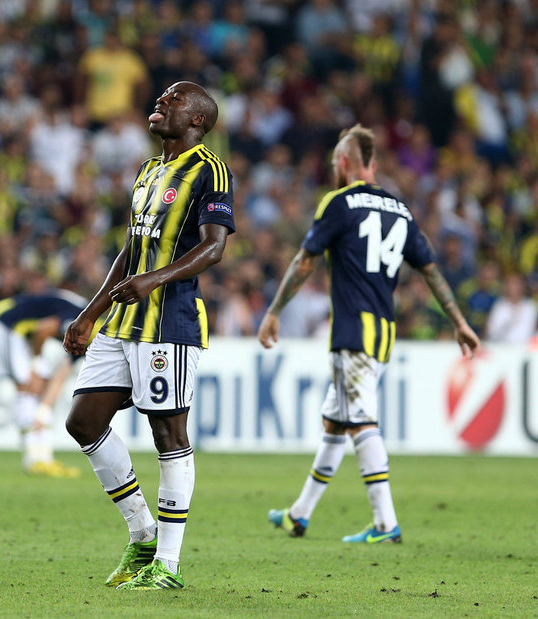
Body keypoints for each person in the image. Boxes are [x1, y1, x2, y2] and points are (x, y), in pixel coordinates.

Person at [258, 125, 480, 543]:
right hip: (382, 330)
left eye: (334, 162)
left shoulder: (339, 202)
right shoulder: (400, 209)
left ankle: (385, 523)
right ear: (373, 163)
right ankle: (299, 514)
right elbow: (431, 270)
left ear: (344, 163)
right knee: (335, 421)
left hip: (352, 331)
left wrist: (273, 311)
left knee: (361, 422)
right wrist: (459, 321)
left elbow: (305, 261)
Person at [63, 81, 235, 589]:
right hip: (123, 320)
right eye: (162, 97)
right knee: (82, 421)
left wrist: (154, 280)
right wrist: (89, 313)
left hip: (170, 321)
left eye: (175, 98)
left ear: (198, 119)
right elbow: (131, 250)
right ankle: (142, 534)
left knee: (168, 436)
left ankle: (168, 564)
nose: (162, 101)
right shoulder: (147, 171)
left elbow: (214, 247)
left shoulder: (210, 169)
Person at [0, 289, 91, 478]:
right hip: (6, 322)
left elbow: (60, 376)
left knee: (40, 387)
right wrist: (35, 364)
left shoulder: (89, 334)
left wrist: (43, 410)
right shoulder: (84, 320)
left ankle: (45, 459)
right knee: (27, 385)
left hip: (23, 331)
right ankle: (33, 459)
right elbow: (43, 330)